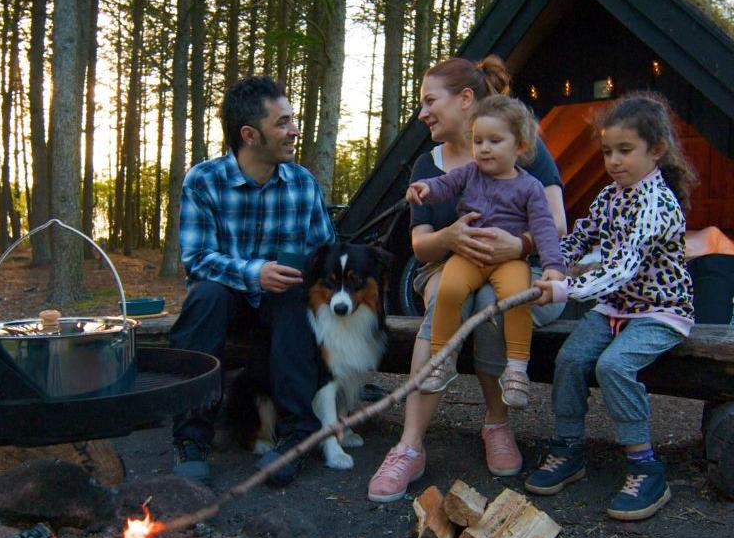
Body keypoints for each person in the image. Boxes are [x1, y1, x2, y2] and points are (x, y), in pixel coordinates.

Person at [367, 56, 568, 503]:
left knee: (489, 304)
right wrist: (451, 236)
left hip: (526, 267)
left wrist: (517, 246)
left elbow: (558, 222)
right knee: (447, 296)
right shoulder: (429, 166)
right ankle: (409, 446)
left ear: (465, 99)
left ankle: (496, 423)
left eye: (429, 100)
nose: (422, 113)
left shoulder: (522, 146)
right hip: (448, 268)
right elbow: (421, 246)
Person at [526, 91, 697, 522]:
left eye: (625, 151)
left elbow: (620, 268)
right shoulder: (612, 194)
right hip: (616, 306)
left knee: (614, 367)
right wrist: (553, 264)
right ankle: (568, 448)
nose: (614, 161)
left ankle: (645, 465)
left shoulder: (656, 204)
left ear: (655, 150)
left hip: (659, 310)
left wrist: (564, 290)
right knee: (570, 359)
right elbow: (583, 235)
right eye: (607, 152)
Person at [168, 76, 334, 487]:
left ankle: (297, 435)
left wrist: (310, 273)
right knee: (205, 296)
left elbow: (325, 252)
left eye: (293, 120)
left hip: (281, 303)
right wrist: (254, 273)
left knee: (298, 298)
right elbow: (197, 258)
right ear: (250, 134)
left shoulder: (302, 184)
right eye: (283, 123)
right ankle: (191, 438)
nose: (295, 130)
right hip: (227, 298)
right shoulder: (204, 181)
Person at [404, 95, 565, 407]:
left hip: (510, 260)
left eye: (495, 141)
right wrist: (426, 189)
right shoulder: (469, 173)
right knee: (448, 292)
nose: (484, 148)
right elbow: (445, 185)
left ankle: (517, 369)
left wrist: (553, 267)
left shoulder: (530, 186)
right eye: (478, 141)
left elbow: (545, 228)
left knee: (516, 300)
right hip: (470, 257)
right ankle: (442, 358)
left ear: (519, 146)